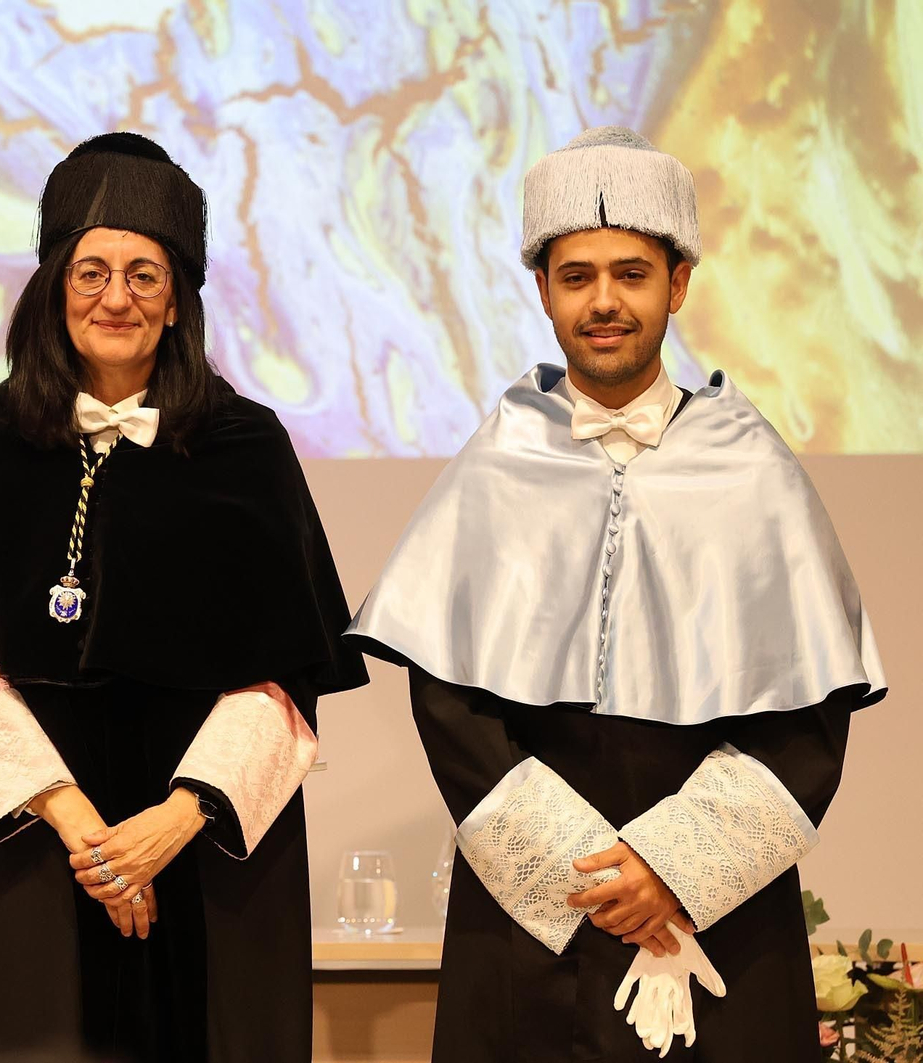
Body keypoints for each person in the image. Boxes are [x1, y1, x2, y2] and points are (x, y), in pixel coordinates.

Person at [348, 126, 887, 1061]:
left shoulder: (754, 468)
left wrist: (670, 871)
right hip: (529, 931)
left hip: (720, 924)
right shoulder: (495, 465)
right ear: (544, 291)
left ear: (678, 284)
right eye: (576, 275)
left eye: (631, 273)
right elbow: (451, 703)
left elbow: (808, 718)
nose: (604, 302)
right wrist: (596, 879)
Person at [0, 132, 367, 1063]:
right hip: (35, 840)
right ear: (55, 289)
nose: (116, 297)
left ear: (178, 301)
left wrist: (173, 822)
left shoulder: (246, 448)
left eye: (144, 273)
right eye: (91, 271)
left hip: (212, 853)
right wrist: (82, 827)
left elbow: (291, 670)